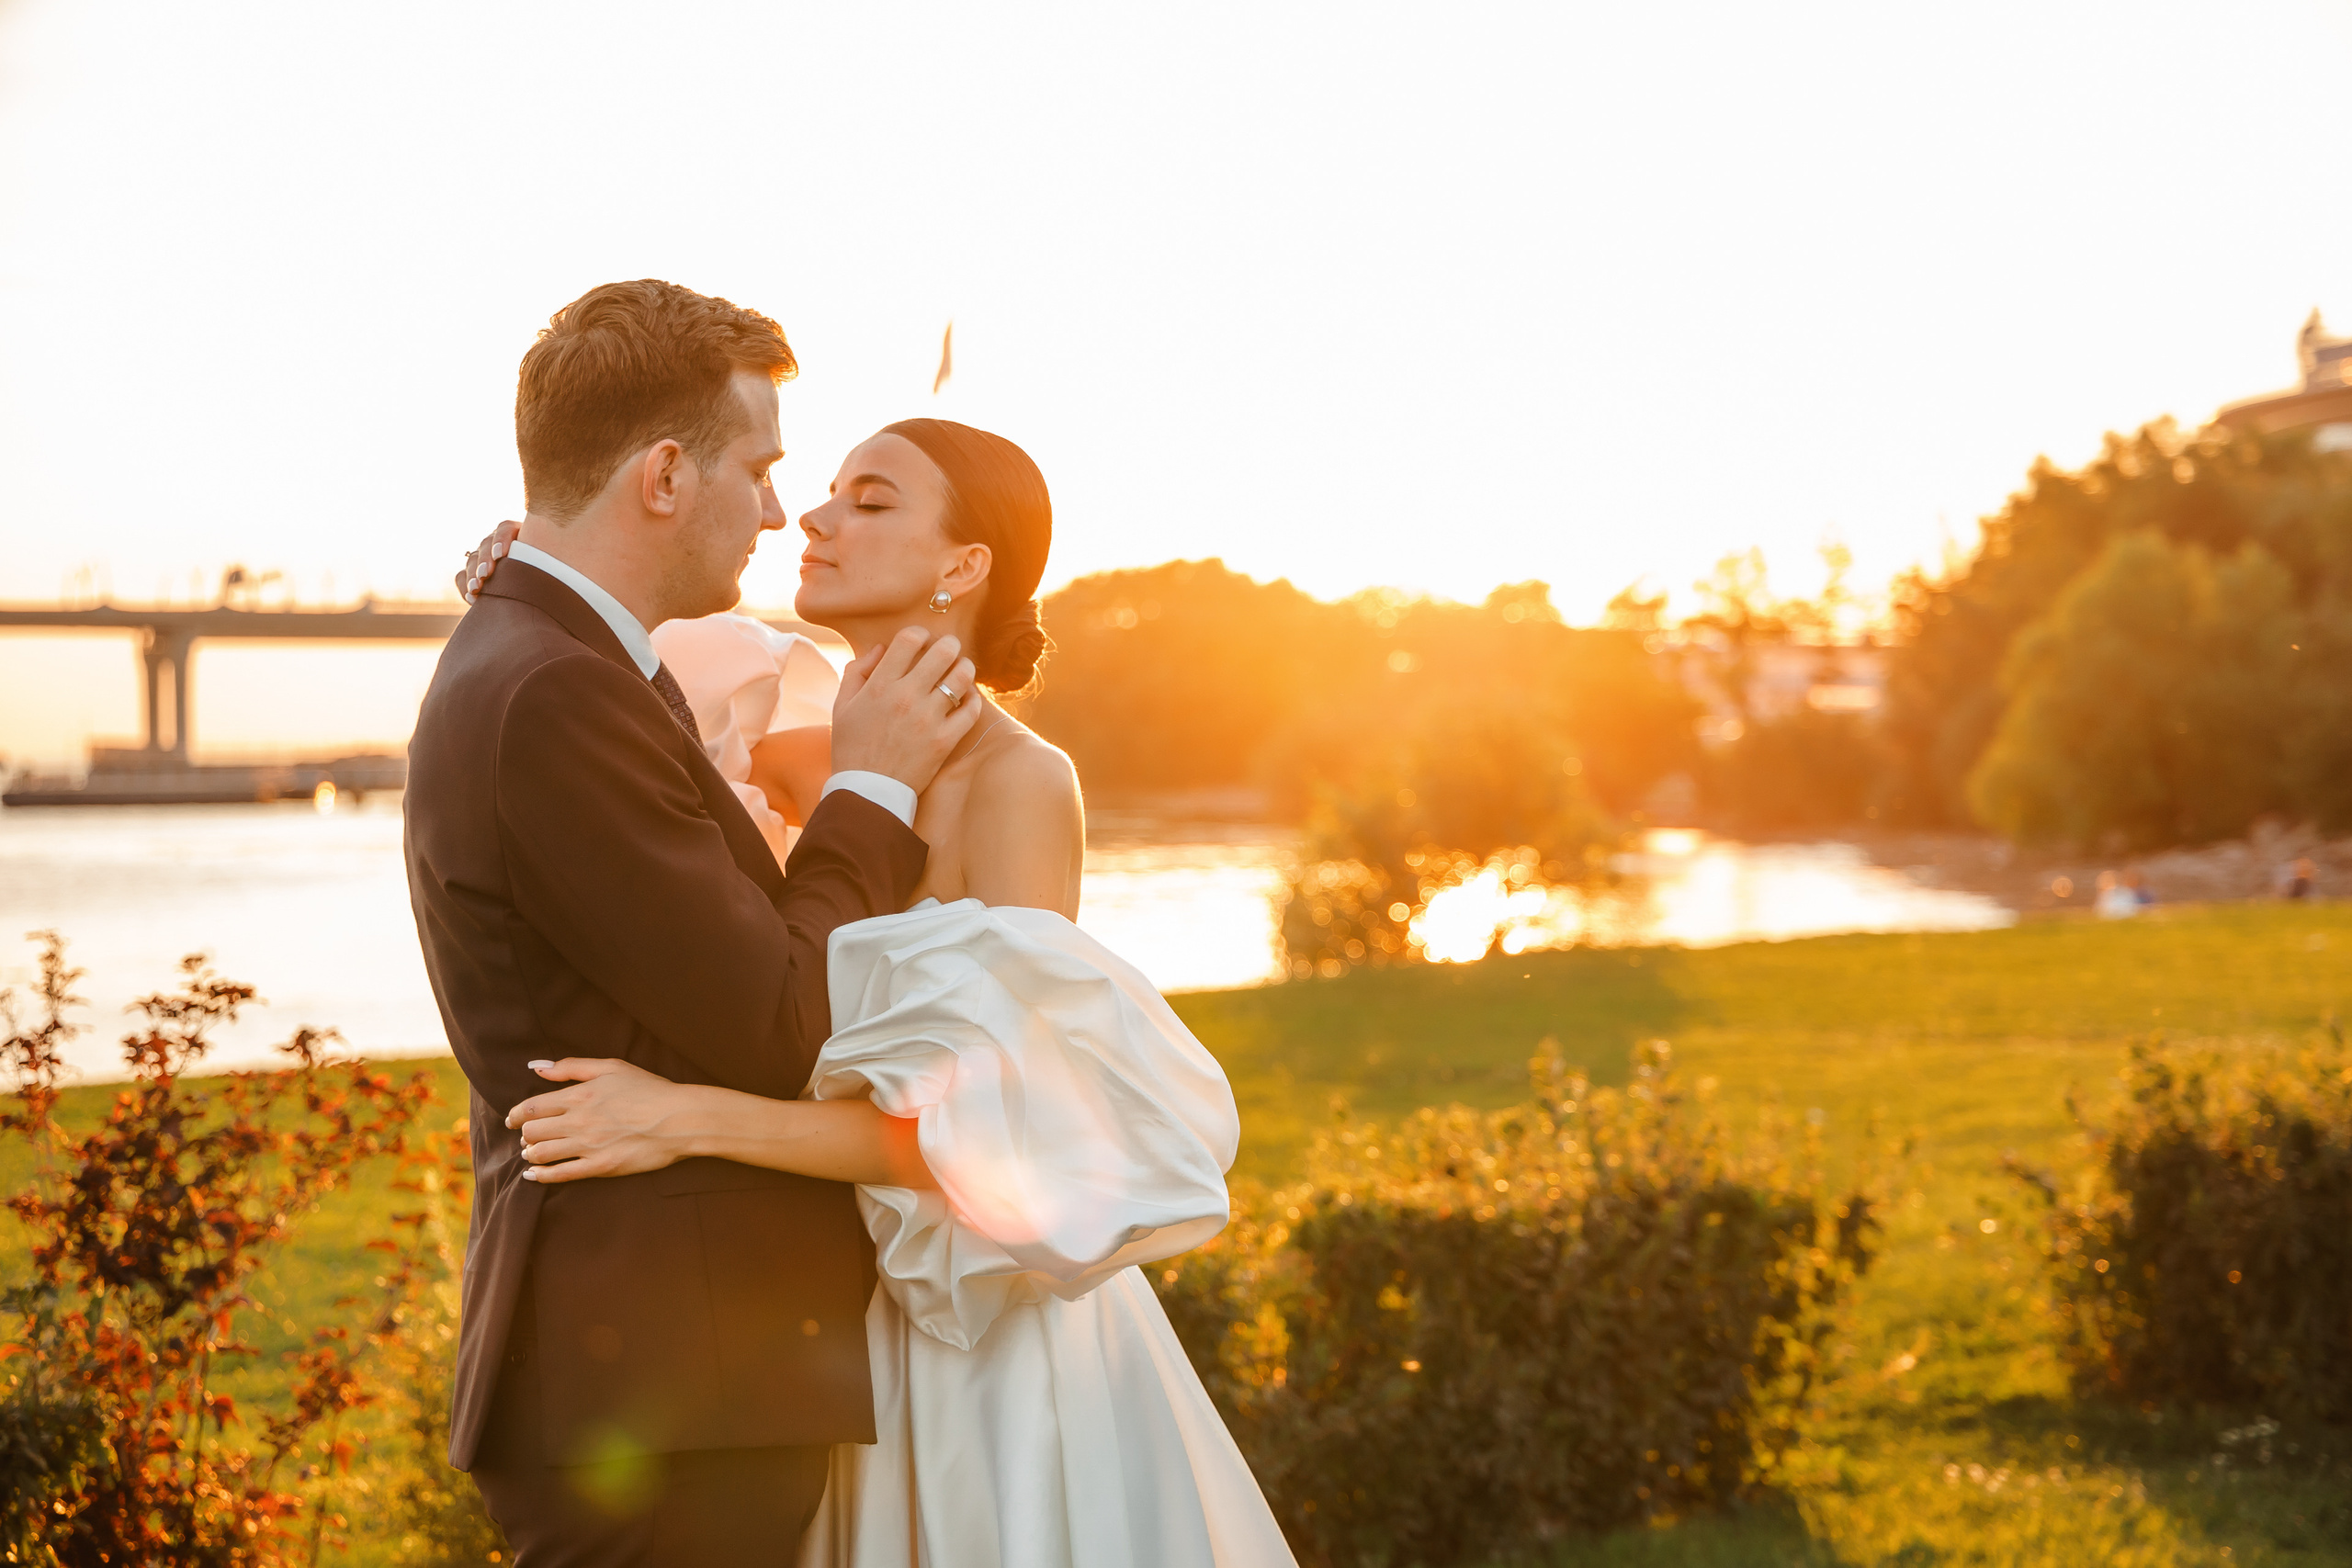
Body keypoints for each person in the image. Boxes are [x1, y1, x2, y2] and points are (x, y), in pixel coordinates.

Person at [460, 420, 1296, 1566]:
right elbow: (611, 690)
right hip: (821, 1318)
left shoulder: (1020, 786)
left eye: (871, 499)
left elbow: (1000, 1139)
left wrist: (682, 1116)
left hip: (973, 1343)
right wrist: (527, 569)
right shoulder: (806, 757)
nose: (813, 515)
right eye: (826, 491)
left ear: (965, 565)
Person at [406, 281, 985, 1566]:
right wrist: (871, 782)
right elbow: (781, 1019)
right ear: (665, 474)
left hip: (666, 1374)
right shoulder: (557, 689)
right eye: (759, 465)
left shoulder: (553, 652)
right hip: (665, 1390)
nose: (781, 508)